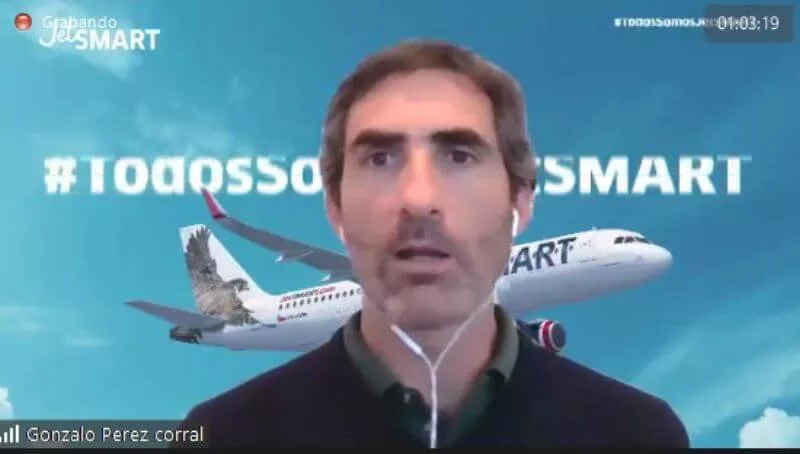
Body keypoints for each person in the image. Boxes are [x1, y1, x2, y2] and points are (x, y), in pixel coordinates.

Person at [172, 39, 689, 448]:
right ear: (336, 211)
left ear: (521, 200)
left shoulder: (634, 431)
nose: (421, 198)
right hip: (254, 319)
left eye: (461, 158)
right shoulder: (226, 433)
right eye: (380, 159)